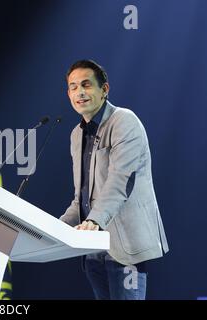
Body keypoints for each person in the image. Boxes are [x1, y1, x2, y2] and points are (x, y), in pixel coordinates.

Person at [59, 59, 169, 300]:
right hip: (93, 251)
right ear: (68, 94)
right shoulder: (76, 134)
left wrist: (95, 220)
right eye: (74, 87)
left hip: (125, 249)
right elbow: (81, 198)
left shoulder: (124, 121)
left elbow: (120, 182)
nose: (80, 92)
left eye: (86, 85)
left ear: (104, 89)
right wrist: (51, 228)